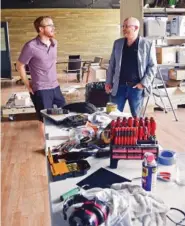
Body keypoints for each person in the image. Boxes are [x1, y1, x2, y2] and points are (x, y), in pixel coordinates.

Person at [17, 16, 66, 144]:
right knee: (44, 119)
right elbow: (20, 65)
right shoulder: (31, 46)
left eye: (53, 24)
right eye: (49, 25)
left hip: (55, 86)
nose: (53, 27)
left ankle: (61, 142)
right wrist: (28, 84)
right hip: (41, 88)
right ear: (41, 29)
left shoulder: (55, 43)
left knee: (64, 113)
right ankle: (47, 147)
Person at [105, 17, 157, 117]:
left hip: (136, 88)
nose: (123, 29)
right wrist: (108, 82)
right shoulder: (118, 43)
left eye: (126, 26)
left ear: (136, 28)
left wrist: (143, 84)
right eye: (123, 26)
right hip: (118, 87)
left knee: (136, 118)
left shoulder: (148, 44)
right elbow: (112, 64)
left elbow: (152, 66)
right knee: (112, 116)